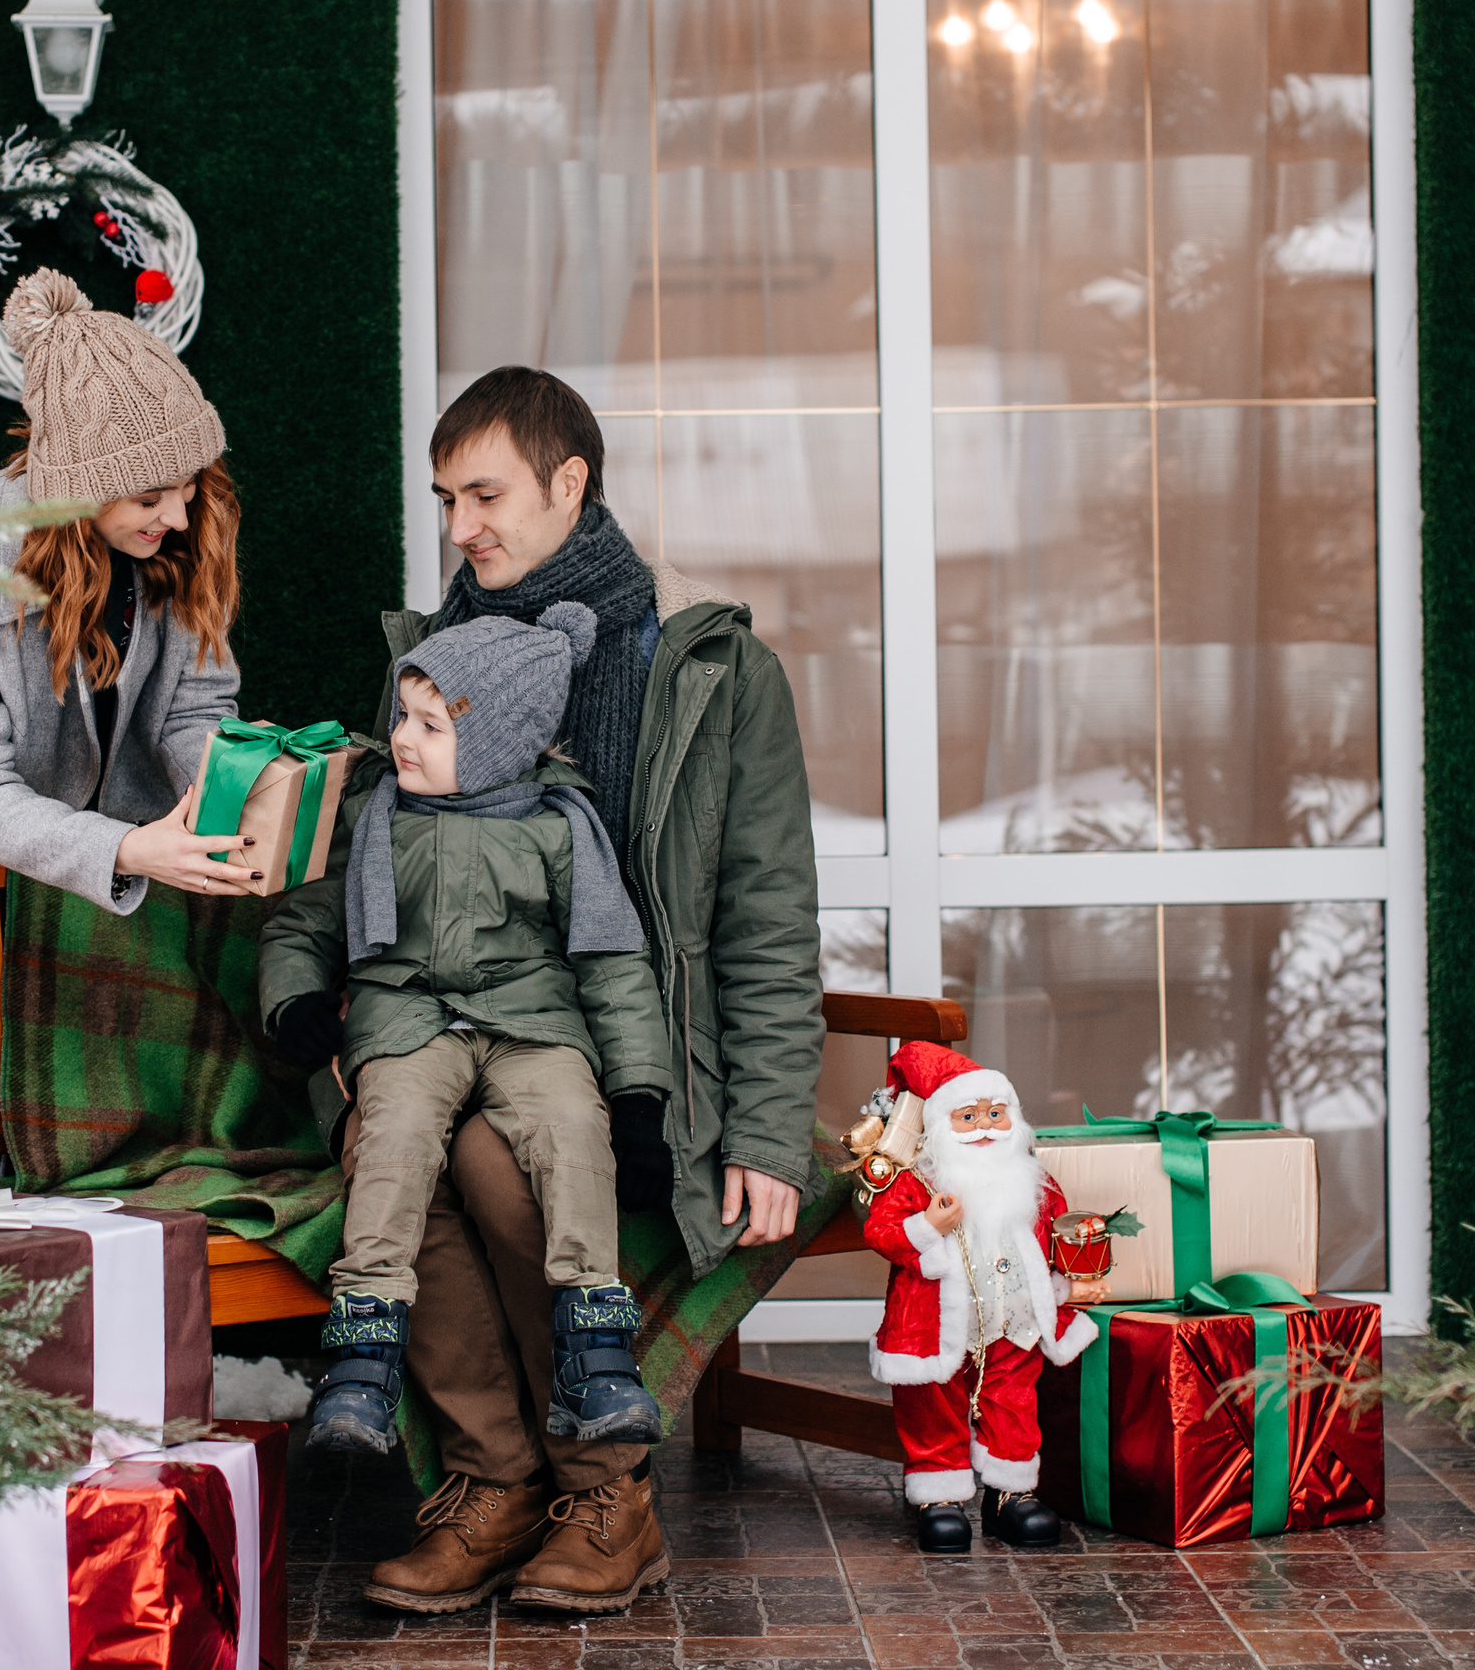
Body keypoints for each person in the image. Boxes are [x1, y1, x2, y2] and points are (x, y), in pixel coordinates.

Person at [262, 366, 824, 1613]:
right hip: (431, 1020)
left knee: (495, 1165)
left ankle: (605, 1496)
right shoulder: (426, 659)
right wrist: (337, 1008)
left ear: (569, 482)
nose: (460, 526)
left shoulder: (707, 663)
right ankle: (500, 1481)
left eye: (485, 494)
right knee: (395, 1147)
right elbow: (366, 867)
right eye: (445, 500)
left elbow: (768, 916)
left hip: (634, 1046)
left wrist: (769, 1131)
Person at [0, 270, 259, 1178]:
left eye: (187, 487)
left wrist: (232, 777)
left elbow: (196, 707)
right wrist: (129, 849)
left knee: (94, 1173)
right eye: (151, 496)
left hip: (89, 914)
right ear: (81, 488)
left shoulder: (174, 544)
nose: (179, 515)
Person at [263, 604, 674, 1464]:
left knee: (574, 1129)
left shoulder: (560, 828)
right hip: (405, 1016)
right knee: (395, 1136)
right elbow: (305, 923)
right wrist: (295, 999)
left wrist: (638, 1096)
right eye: (404, 716)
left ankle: (597, 1354)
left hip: (532, 1021)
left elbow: (611, 963)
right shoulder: (375, 816)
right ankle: (363, 1359)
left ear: (494, 746)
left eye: (431, 726)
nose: (401, 739)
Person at [862, 1042, 1094, 1553]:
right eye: (968, 1116)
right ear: (942, 1124)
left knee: (1013, 1400)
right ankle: (939, 1496)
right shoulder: (916, 1179)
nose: (985, 1126)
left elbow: (1057, 1229)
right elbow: (881, 1232)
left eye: (995, 1113)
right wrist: (928, 1225)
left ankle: (1011, 1493)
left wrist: (1070, 1275)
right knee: (933, 1403)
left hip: (1014, 1318)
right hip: (934, 1323)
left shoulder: (1032, 1179)